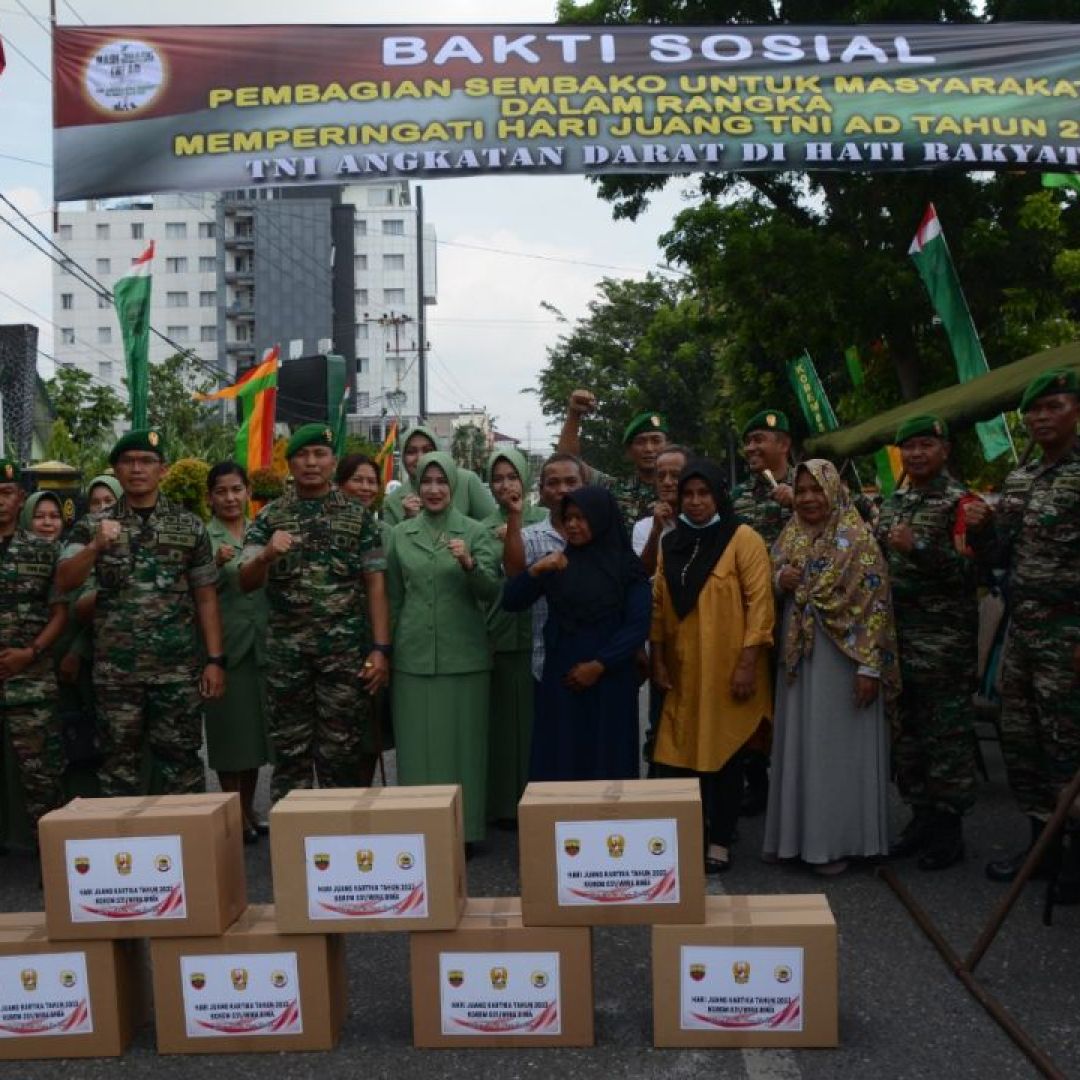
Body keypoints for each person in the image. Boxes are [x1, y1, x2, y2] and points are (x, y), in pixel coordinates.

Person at [57, 429, 225, 796]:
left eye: (146, 461)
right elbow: (66, 580)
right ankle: (123, 851)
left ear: (162, 470)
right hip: (117, 673)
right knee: (118, 768)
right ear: (115, 470)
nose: (137, 469)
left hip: (177, 671)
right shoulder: (90, 525)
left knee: (182, 765)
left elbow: (206, 596)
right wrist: (97, 546)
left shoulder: (188, 525)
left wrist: (215, 659)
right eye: (128, 462)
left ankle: (188, 847)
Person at [966, 369, 1080, 895]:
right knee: (1022, 740)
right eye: (1033, 411)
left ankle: (1075, 854)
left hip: (1070, 632)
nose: (1039, 418)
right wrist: (982, 531)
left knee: (1068, 746)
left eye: (1052, 406)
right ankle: (1042, 847)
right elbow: (997, 558)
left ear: (1074, 411)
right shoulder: (1019, 479)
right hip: (1024, 631)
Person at [240, 424, 390, 802]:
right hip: (286, 658)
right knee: (290, 755)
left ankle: (343, 845)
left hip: (342, 657)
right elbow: (245, 580)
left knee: (342, 753)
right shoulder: (269, 517)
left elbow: (375, 585)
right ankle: (294, 846)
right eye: (302, 456)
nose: (311, 463)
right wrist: (267, 555)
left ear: (332, 461)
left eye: (319, 455)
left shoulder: (359, 518)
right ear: (289, 464)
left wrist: (379, 650)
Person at [764, 460, 899, 875]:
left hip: (845, 662)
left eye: (815, 489)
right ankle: (799, 841)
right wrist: (778, 579)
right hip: (800, 662)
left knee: (837, 753)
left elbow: (877, 607)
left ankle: (844, 842)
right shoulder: (791, 533)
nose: (807, 498)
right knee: (803, 746)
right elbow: (772, 575)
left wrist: (870, 670)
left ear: (834, 490)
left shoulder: (857, 539)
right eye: (800, 490)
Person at [650, 460, 774, 873]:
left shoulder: (743, 538)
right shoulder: (672, 542)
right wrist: (659, 659)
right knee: (678, 756)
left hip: (729, 670)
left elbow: (761, 605)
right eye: (689, 494)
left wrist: (747, 664)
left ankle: (720, 840)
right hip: (685, 671)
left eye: (705, 493)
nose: (697, 501)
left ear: (719, 495)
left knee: (724, 757)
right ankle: (687, 838)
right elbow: (660, 606)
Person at [876, 416, 981, 871]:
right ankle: (919, 817)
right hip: (899, 639)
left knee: (946, 738)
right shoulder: (895, 500)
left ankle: (948, 831)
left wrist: (916, 548)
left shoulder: (962, 503)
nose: (916, 454)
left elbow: (971, 574)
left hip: (943, 643)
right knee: (907, 736)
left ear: (944, 449)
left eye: (925, 445)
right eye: (909, 447)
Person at [386, 451, 502, 845]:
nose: (434, 490)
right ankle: (418, 829)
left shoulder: (474, 532)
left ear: (454, 485)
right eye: (426, 482)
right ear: (416, 487)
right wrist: (384, 650)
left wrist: (469, 564)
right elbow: (393, 598)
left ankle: (467, 831)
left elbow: (491, 591)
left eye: (442, 482)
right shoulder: (400, 534)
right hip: (413, 656)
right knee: (417, 749)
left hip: (465, 655)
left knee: (465, 747)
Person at [503, 486, 651, 781]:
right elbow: (511, 602)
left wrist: (599, 665)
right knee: (561, 758)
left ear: (601, 519)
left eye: (582, 518)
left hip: (611, 681)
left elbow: (637, 624)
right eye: (568, 518)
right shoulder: (558, 562)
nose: (572, 525)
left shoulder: (627, 567)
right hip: (563, 680)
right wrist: (535, 571)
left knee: (608, 759)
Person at [731, 409, 796, 817]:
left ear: (784, 445)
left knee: (794, 698)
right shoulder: (738, 497)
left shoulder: (810, 486)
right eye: (749, 441)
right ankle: (757, 778)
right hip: (752, 615)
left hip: (800, 615)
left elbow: (849, 532)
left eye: (761, 439)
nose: (752, 448)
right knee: (754, 699)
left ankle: (797, 781)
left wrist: (797, 505)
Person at [0, 458, 67, 841]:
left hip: (31, 681)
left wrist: (31, 652)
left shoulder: (44, 552)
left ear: (19, 498)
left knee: (42, 777)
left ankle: (54, 860)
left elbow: (60, 612)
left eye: (7, 493)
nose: (0, 501)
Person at [480, 447, 547, 825]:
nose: (506, 485)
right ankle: (504, 806)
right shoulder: (481, 526)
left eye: (512, 477)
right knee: (503, 730)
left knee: (538, 727)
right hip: (501, 638)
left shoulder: (547, 520)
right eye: (498, 478)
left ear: (525, 478)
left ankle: (538, 800)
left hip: (540, 637)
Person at [205, 462, 271, 843]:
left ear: (248, 492)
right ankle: (233, 812)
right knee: (230, 737)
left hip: (263, 645)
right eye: (221, 491)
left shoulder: (260, 531)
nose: (230, 498)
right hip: (225, 648)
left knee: (256, 737)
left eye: (236, 489)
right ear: (210, 497)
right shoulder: (204, 536)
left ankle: (247, 806)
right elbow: (191, 589)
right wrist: (212, 564)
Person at [335, 451, 394, 785]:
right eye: (357, 479)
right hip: (337, 642)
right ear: (341, 484)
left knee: (372, 731)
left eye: (372, 481)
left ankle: (365, 798)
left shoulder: (387, 531)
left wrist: (382, 646)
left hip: (376, 640)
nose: (365, 487)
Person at [557, 388, 670, 531]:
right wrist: (574, 414)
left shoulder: (685, 488)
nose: (648, 448)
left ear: (668, 446)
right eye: (640, 442)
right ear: (629, 452)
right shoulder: (614, 489)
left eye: (656, 440)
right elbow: (567, 464)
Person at [381, 424, 496, 526]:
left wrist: (468, 547)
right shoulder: (392, 503)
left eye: (427, 450)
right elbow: (391, 547)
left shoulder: (466, 482)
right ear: (403, 458)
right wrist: (409, 521)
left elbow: (494, 529)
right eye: (411, 452)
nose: (420, 458)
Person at [632, 444, 691, 575]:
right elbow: (642, 574)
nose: (667, 482)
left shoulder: (705, 520)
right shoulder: (643, 527)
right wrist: (656, 531)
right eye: (661, 476)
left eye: (675, 475)